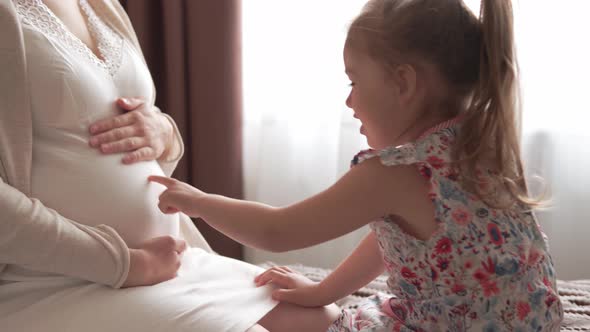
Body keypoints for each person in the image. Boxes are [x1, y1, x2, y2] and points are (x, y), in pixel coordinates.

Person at [149, 0, 565, 330]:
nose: (349, 102)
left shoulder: (397, 171)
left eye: (354, 81)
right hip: (531, 321)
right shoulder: (478, 143)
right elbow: (403, 242)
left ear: (403, 83)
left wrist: (199, 202)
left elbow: (276, 230)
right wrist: (322, 292)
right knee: (305, 309)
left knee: (257, 315)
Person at [0, 0, 338, 331]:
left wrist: (165, 133)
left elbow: (118, 126)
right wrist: (126, 265)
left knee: (323, 318)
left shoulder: (102, 5)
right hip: (52, 279)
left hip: (163, 262)